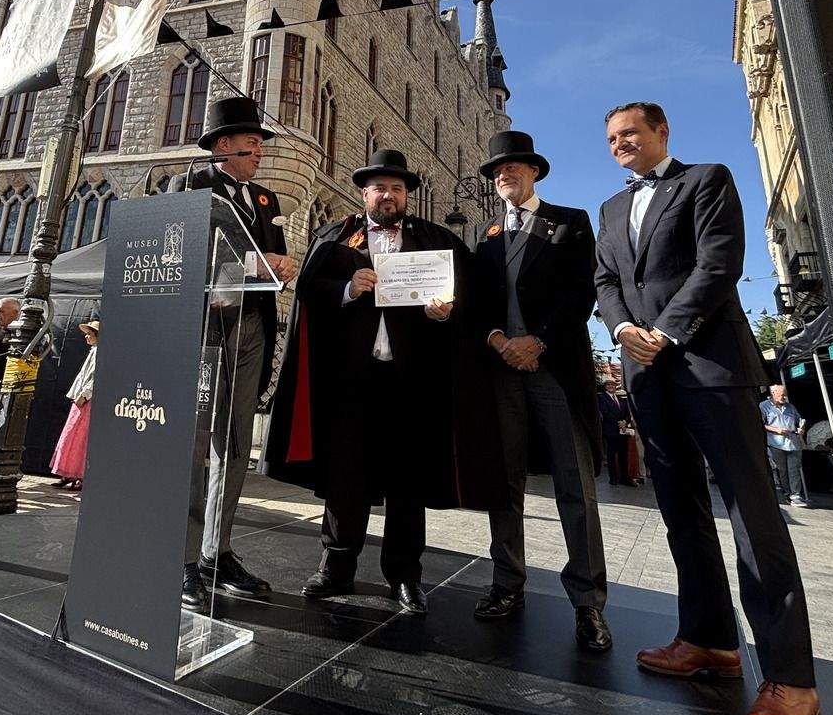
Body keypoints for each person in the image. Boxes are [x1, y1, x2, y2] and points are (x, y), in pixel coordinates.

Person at [594, 101, 819, 715]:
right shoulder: (611, 209)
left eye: (631, 132)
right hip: (646, 373)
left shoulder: (708, 180)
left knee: (753, 518)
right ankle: (709, 640)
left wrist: (663, 332)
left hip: (709, 366)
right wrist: (622, 329)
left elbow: (717, 267)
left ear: (663, 131)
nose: (621, 144)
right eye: (612, 138)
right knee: (682, 513)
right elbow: (605, 279)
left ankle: (793, 680)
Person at [265, 149, 502, 615]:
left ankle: (405, 575)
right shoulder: (336, 238)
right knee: (344, 476)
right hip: (350, 380)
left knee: (407, 480)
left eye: (397, 188)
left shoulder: (436, 240)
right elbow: (310, 292)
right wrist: (349, 289)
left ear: (406, 195)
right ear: (365, 193)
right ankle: (337, 565)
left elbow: (468, 296)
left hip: (411, 381)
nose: (388, 195)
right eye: (380, 188)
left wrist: (447, 311)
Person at [467, 131, 612, 651]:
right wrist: (497, 338)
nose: (504, 174)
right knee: (503, 484)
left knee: (575, 487)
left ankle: (588, 603)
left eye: (513, 167)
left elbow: (582, 291)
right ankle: (507, 584)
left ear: (533, 173)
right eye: (497, 170)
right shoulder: (484, 236)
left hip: (555, 370)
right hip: (500, 368)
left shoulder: (569, 222)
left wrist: (540, 340)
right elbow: (477, 300)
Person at [168, 96, 296, 608]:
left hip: (252, 328)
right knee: (195, 447)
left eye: (261, 142)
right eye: (252, 141)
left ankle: (216, 551)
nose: (260, 150)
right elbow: (183, 248)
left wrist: (280, 266)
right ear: (225, 145)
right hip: (206, 329)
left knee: (236, 445)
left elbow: (273, 256)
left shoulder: (267, 200)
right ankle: (181, 560)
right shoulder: (191, 185)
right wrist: (253, 261)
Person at [51, 319, 99, 492]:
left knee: (80, 436)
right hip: (80, 397)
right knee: (72, 434)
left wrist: (85, 395)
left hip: (86, 399)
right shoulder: (93, 351)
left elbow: (95, 377)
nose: (86, 337)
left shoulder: (101, 353)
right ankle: (69, 473)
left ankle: (79, 475)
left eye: (90, 334)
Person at [760, 385, 807, 507]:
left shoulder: (790, 407)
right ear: (773, 394)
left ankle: (795, 495)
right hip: (776, 443)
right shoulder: (764, 406)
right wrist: (776, 430)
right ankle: (787, 493)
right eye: (781, 395)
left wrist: (801, 429)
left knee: (794, 469)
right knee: (782, 470)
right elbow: (760, 424)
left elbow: (798, 421)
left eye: (785, 395)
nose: (784, 397)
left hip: (792, 443)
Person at [598, 383, 637, 487]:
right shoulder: (602, 398)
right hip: (611, 431)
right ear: (605, 387)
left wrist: (625, 421)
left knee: (623, 455)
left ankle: (625, 477)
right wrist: (619, 423)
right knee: (611, 455)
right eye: (608, 385)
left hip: (623, 432)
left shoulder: (621, 399)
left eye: (613, 385)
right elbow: (606, 413)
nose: (611, 387)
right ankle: (613, 478)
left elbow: (627, 413)